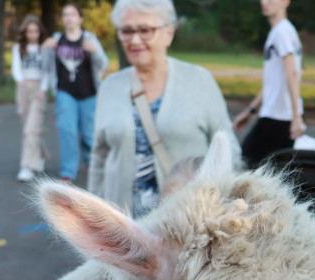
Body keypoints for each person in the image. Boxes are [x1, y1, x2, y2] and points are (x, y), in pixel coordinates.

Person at [89, 0, 240, 217]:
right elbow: (99, 155)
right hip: (122, 231)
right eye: (126, 31)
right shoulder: (109, 87)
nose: (135, 39)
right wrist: (95, 215)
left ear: (169, 32)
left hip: (187, 226)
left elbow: (229, 150)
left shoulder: (199, 81)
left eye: (145, 30)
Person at [232, 0, 304, 168]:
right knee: (268, 172)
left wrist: (296, 117)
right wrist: (249, 111)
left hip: (278, 118)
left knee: (246, 166)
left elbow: (292, 73)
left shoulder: (282, 32)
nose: (265, 2)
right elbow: (273, 83)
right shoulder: (281, 31)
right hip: (275, 115)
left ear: (286, 2)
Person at [46, 3, 108, 184]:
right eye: (65, 15)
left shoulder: (90, 39)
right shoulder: (57, 40)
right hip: (65, 92)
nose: (69, 18)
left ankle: (90, 162)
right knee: (67, 130)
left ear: (80, 18)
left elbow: (103, 65)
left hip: (88, 93)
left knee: (89, 133)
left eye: (72, 14)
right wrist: (45, 47)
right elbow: (46, 66)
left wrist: (94, 52)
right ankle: (68, 171)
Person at [12, 15, 51, 182]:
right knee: (29, 128)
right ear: (25, 32)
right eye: (29, 31)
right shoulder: (19, 47)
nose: (32, 34)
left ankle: (27, 166)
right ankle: (40, 155)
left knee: (30, 130)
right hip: (23, 88)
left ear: (40, 32)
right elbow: (16, 67)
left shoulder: (45, 48)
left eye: (35, 31)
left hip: (38, 89)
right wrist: (20, 81)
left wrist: (43, 88)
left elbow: (48, 71)